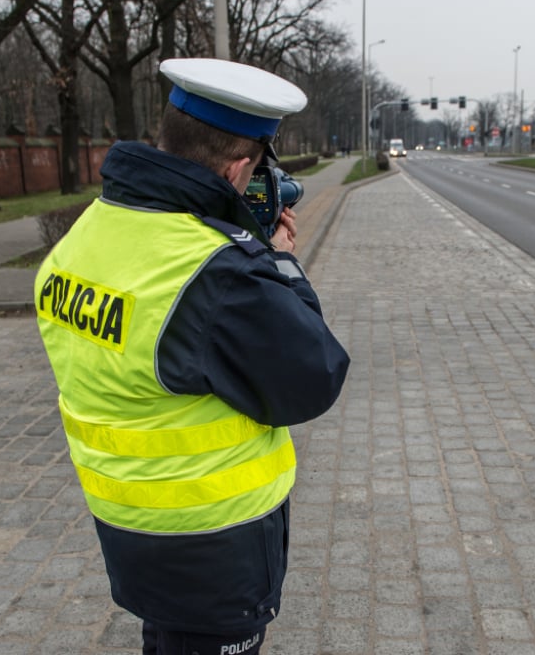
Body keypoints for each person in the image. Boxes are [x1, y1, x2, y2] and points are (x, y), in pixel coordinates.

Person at [33, 58, 350, 654]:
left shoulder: (88, 232)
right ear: (238, 167)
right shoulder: (220, 273)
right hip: (211, 546)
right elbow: (315, 377)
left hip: (130, 524)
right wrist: (279, 261)